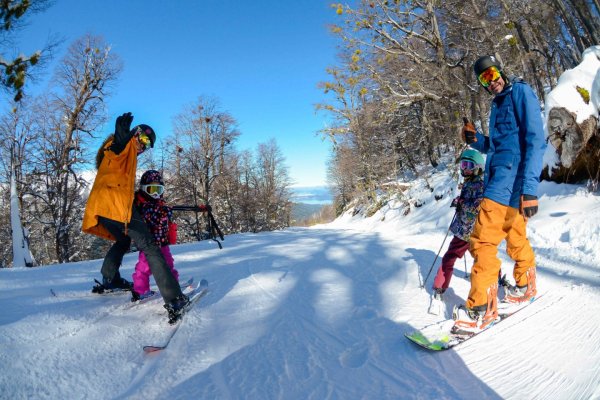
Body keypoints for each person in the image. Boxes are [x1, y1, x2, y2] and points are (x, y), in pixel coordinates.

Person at [452, 55, 547, 333]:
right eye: (484, 79)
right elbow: (500, 146)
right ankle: (525, 284)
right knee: (515, 236)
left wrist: (530, 189)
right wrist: (477, 140)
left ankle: (481, 307)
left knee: (482, 242)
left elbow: (535, 141)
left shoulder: (520, 92)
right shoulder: (497, 104)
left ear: (501, 69)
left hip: (508, 183)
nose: (490, 82)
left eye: (492, 74)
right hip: (504, 179)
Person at [82, 112, 190, 323]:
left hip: (103, 208)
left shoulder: (127, 156)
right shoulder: (120, 147)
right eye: (142, 140)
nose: (143, 146)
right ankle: (175, 299)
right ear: (135, 134)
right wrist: (120, 141)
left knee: (123, 240)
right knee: (150, 246)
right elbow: (114, 152)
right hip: (115, 207)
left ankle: (109, 278)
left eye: (147, 145)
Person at [131, 169, 210, 301]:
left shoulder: (158, 204)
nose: (156, 193)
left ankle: (173, 285)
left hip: (163, 243)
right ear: (144, 189)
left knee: (169, 264)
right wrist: (164, 212)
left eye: (159, 189)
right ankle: (140, 290)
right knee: (143, 269)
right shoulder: (144, 206)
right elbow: (153, 217)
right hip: (149, 246)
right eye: (152, 189)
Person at [429, 149, 485, 315]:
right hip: (463, 229)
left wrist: (462, 204)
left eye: (468, 165)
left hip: (471, 232)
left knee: (483, 259)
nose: (465, 168)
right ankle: (440, 287)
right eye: (463, 164)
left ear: (478, 167)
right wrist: (458, 201)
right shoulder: (469, 182)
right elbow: (467, 202)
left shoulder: (480, 185)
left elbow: (477, 206)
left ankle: (495, 282)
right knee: (451, 257)